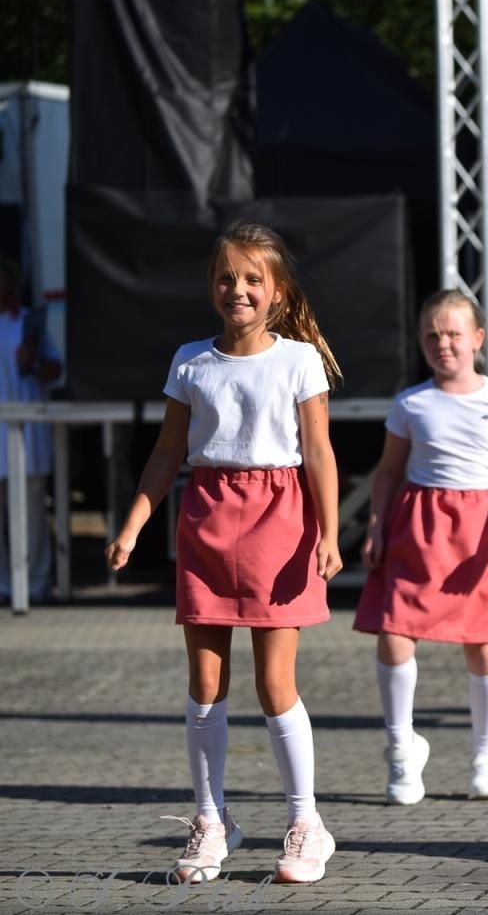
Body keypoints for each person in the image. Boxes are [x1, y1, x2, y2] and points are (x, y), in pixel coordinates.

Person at [105, 222, 343, 885]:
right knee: (205, 685)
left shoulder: (298, 360)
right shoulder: (190, 361)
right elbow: (166, 454)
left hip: (279, 522)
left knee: (275, 685)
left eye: (251, 279)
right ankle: (212, 821)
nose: (236, 289)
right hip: (207, 521)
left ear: (276, 292)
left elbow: (319, 452)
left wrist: (327, 533)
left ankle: (306, 823)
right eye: (225, 277)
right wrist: (131, 526)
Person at [354, 290, 488, 805]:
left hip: (485, 530)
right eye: (433, 335)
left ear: (478, 340)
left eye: (454, 334)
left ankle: (486, 759)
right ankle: (401, 750)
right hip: (419, 528)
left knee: (484, 644)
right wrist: (375, 527)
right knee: (394, 634)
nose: (444, 344)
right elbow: (389, 471)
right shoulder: (410, 403)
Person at [0, 258, 62, 606]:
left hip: (26, 434)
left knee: (32, 515)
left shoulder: (24, 322)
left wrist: (33, 361)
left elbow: (54, 370)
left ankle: (36, 583)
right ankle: (5, 584)